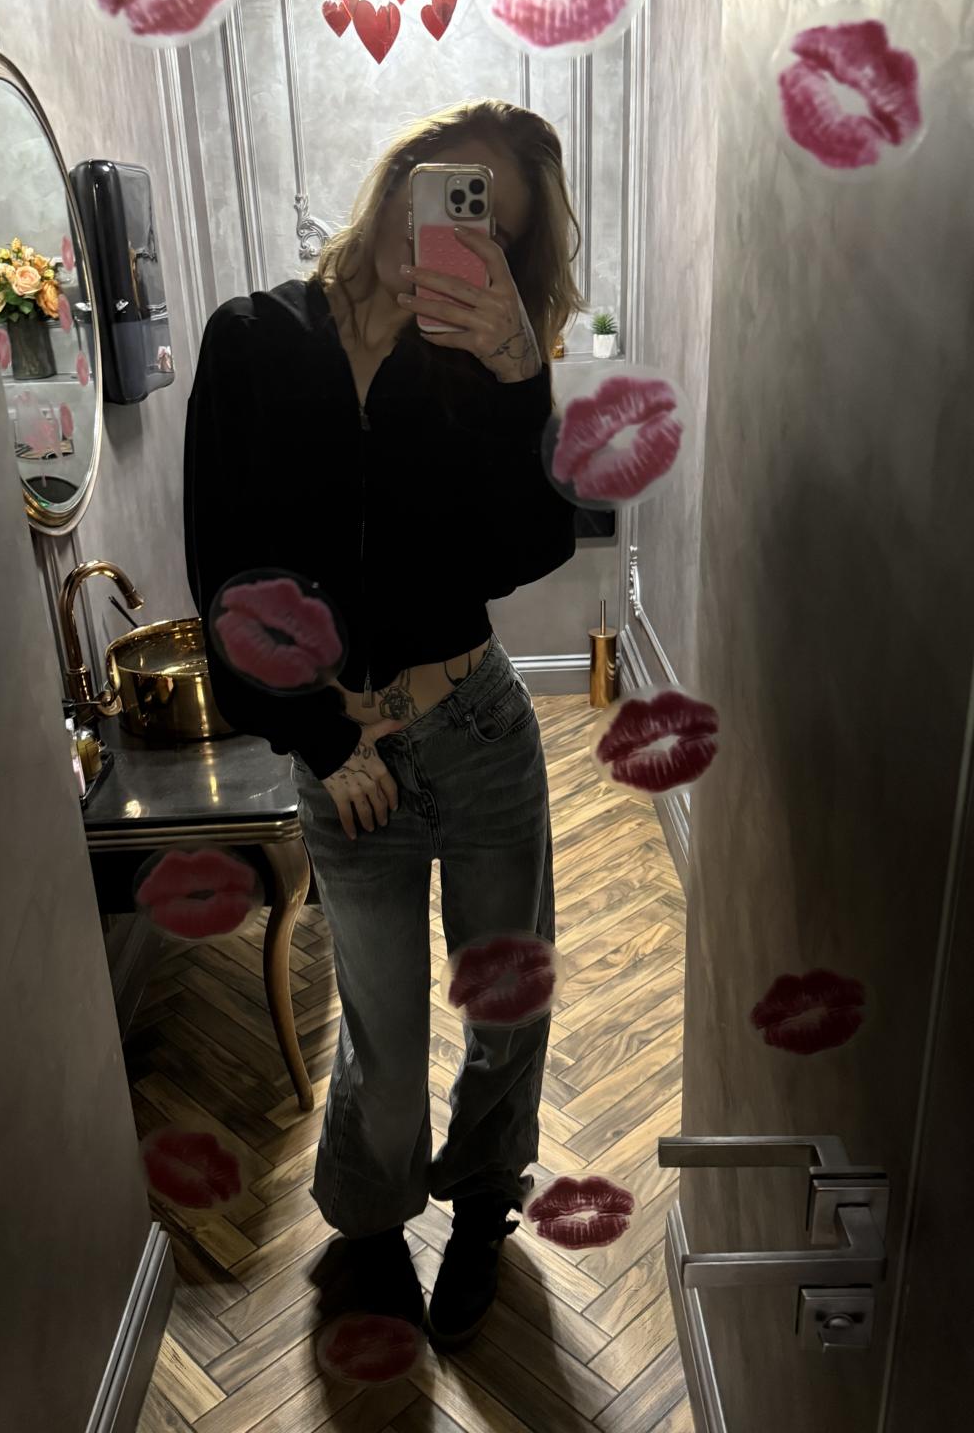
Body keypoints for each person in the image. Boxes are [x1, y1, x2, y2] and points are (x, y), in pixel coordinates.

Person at [184, 99, 582, 1350]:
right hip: (346, 760)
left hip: (479, 732)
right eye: (457, 193)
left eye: (495, 230)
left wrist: (520, 379)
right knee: (387, 1045)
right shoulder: (254, 340)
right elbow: (229, 581)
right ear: (407, 174)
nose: (463, 235)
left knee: (507, 1008)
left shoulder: (468, 369)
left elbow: (526, 550)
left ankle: (484, 1204)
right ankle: (371, 1224)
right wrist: (320, 740)